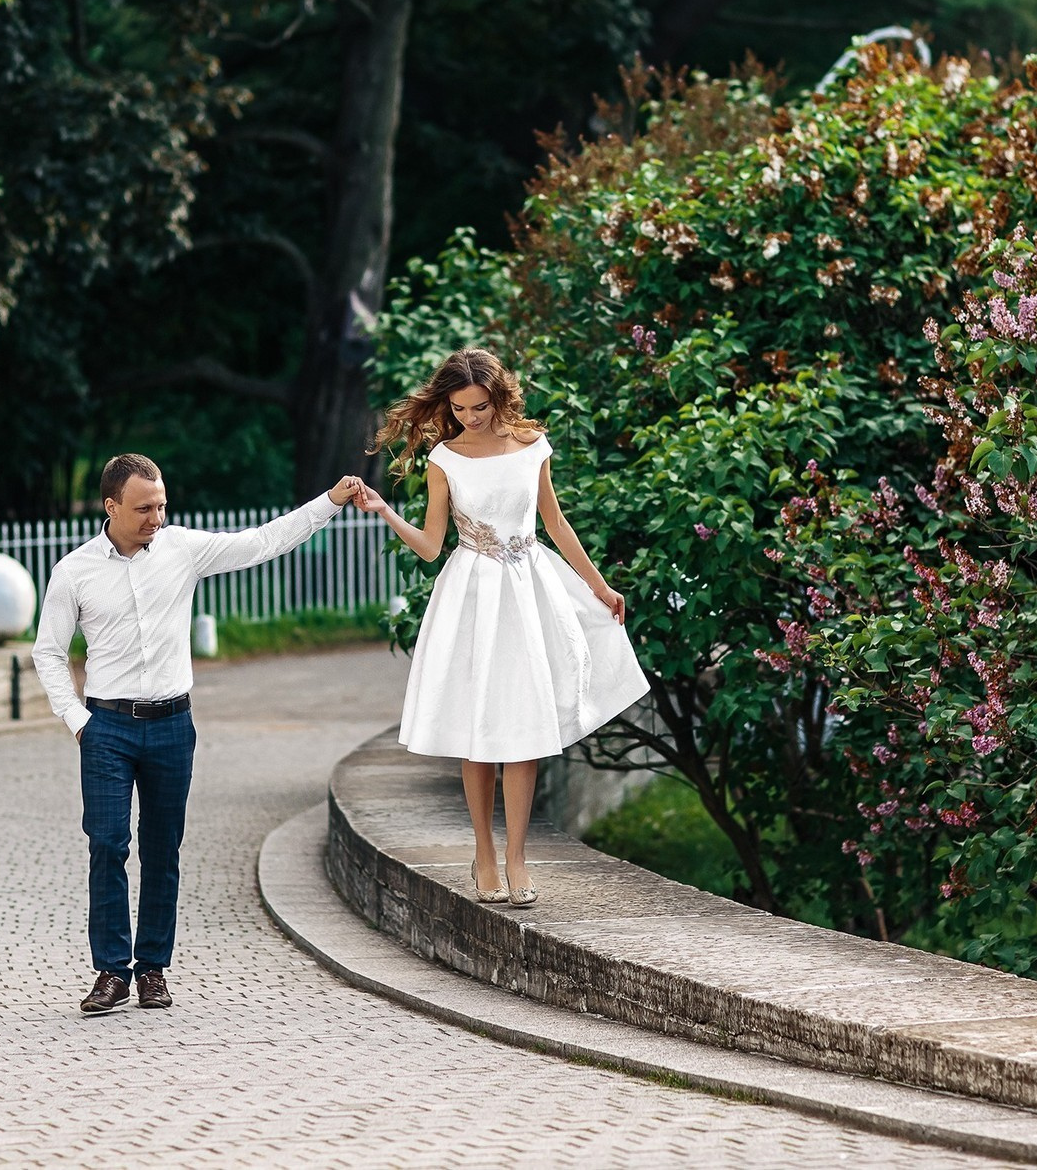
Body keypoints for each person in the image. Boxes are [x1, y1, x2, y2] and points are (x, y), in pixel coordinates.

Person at [33, 453, 365, 1014]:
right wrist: (78, 721)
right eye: (143, 508)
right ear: (110, 506)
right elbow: (48, 651)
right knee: (108, 844)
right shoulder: (74, 572)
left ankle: (153, 970)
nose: (156, 517)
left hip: (172, 726)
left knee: (164, 851)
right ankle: (110, 971)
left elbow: (263, 542)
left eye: (161, 505)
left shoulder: (184, 549)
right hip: (106, 728)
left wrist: (329, 502)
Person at [357, 348, 648, 906]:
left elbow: (555, 522)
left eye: (481, 406)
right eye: (461, 408)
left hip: (529, 589)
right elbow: (430, 546)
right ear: (448, 405)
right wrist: (386, 512)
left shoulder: (532, 445)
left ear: (499, 397)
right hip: (473, 597)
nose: (471, 417)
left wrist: (599, 585)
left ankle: (517, 857)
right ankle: (484, 854)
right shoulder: (445, 458)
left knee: (525, 732)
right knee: (478, 735)